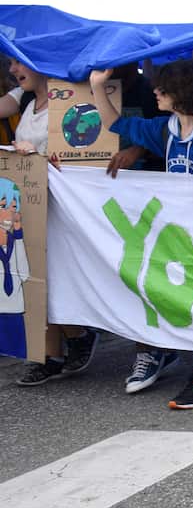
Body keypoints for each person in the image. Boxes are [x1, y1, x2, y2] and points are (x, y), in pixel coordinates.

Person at [89, 59, 193, 409]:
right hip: (178, 232)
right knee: (190, 299)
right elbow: (117, 123)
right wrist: (98, 87)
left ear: (184, 92)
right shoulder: (166, 129)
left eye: (164, 87)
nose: (155, 91)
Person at [5, 63, 101, 386]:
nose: (12, 68)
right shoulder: (23, 99)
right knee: (33, 273)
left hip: (60, 203)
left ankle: (76, 335)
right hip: (28, 202)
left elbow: (78, 152)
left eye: (19, 62)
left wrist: (37, 155)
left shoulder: (69, 100)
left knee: (56, 276)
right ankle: (50, 355)